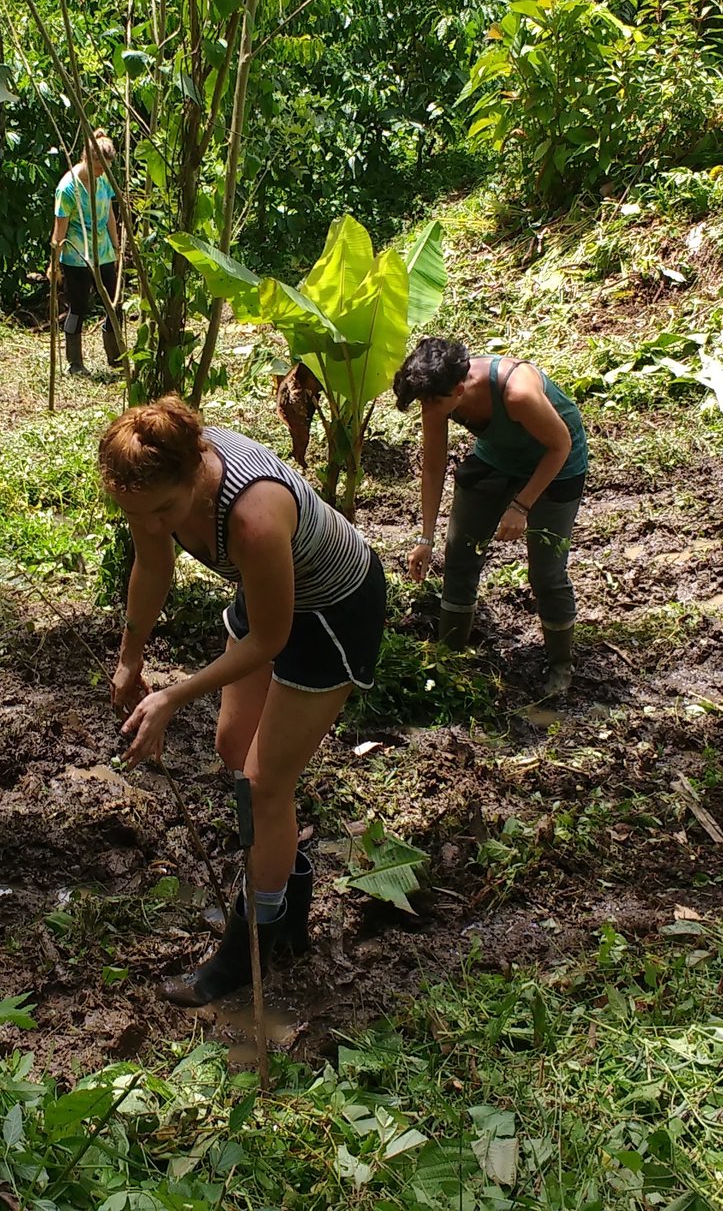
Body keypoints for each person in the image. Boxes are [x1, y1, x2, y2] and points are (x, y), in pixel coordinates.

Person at [99, 398, 388, 1006]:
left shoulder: (253, 514)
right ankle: (288, 890)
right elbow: (153, 567)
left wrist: (173, 694)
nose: (151, 524)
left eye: (163, 512)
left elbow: (270, 640)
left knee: (264, 786)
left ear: (196, 471)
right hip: (270, 598)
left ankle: (248, 947)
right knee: (233, 747)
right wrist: (130, 657)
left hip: (331, 612)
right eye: (135, 515)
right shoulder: (150, 483)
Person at [393, 337, 590, 697]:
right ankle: (448, 657)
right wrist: (425, 539)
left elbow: (560, 445)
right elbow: (434, 466)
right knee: (460, 552)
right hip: (499, 457)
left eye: (433, 402)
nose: (428, 410)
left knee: (545, 571)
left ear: (458, 389)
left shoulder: (517, 393)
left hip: (557, 464)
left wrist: (522, 505)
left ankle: (561, 664)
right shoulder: (436, 395)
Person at [50, 131, 123, 375]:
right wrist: (54, 265)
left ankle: (116, 356)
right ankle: (75, 363)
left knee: (114, 304)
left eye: (106, 168)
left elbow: (110, 214)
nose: (102, 172)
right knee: (78, 307)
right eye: (99, 167)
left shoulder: (104, 181)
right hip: (76, 256)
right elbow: (59, 231)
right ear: (87, 160)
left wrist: (116, 245)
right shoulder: (68, 188)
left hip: (103, 253)